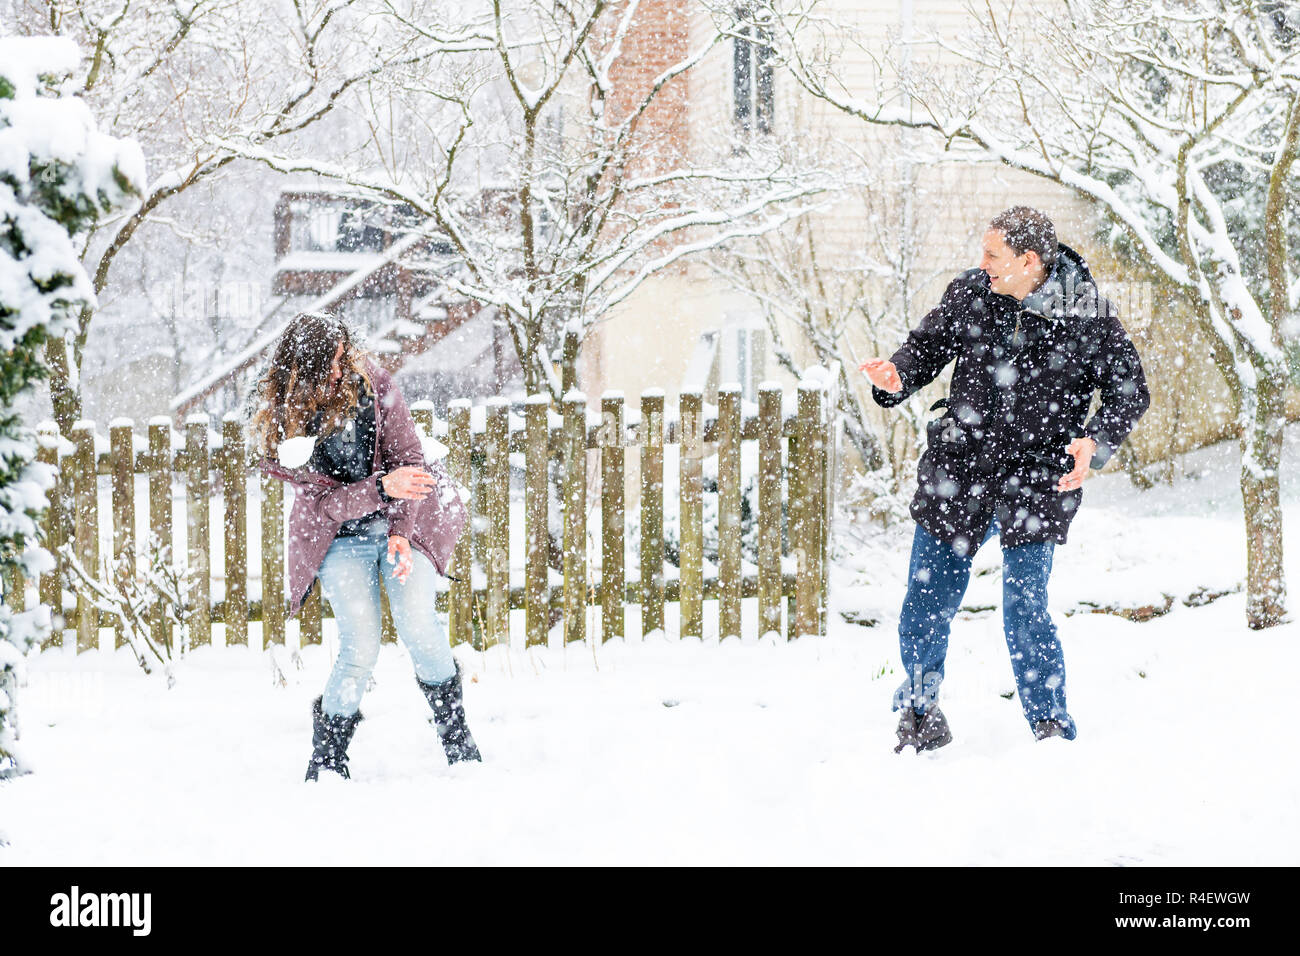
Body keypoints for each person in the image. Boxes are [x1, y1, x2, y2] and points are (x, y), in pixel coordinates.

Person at [860, 206, 1149, 752]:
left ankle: (1050, 727)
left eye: (993, 254)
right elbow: (926, 349)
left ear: (1029, 260)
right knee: (926, 601)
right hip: (960, 470)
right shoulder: (972, 293)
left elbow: (1129, 389)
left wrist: (1098, 440)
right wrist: (896, 376)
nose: (982, 262)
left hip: (1037, 479)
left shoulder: (1085, 312)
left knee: (1025, 606)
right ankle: (920, 711)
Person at [251, 311, 476, 780]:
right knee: (360, 644)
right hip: (339, 537)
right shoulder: (283, 422)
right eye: (328, 366)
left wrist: (398, 530)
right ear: (302, 371)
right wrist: (381, 489)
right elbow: (326, 505)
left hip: (402, 524)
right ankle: (328, 758)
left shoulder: (372, 384)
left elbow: (409, 463)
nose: (338, 371)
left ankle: (458, 741)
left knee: (419, 626)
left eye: (340, 359)